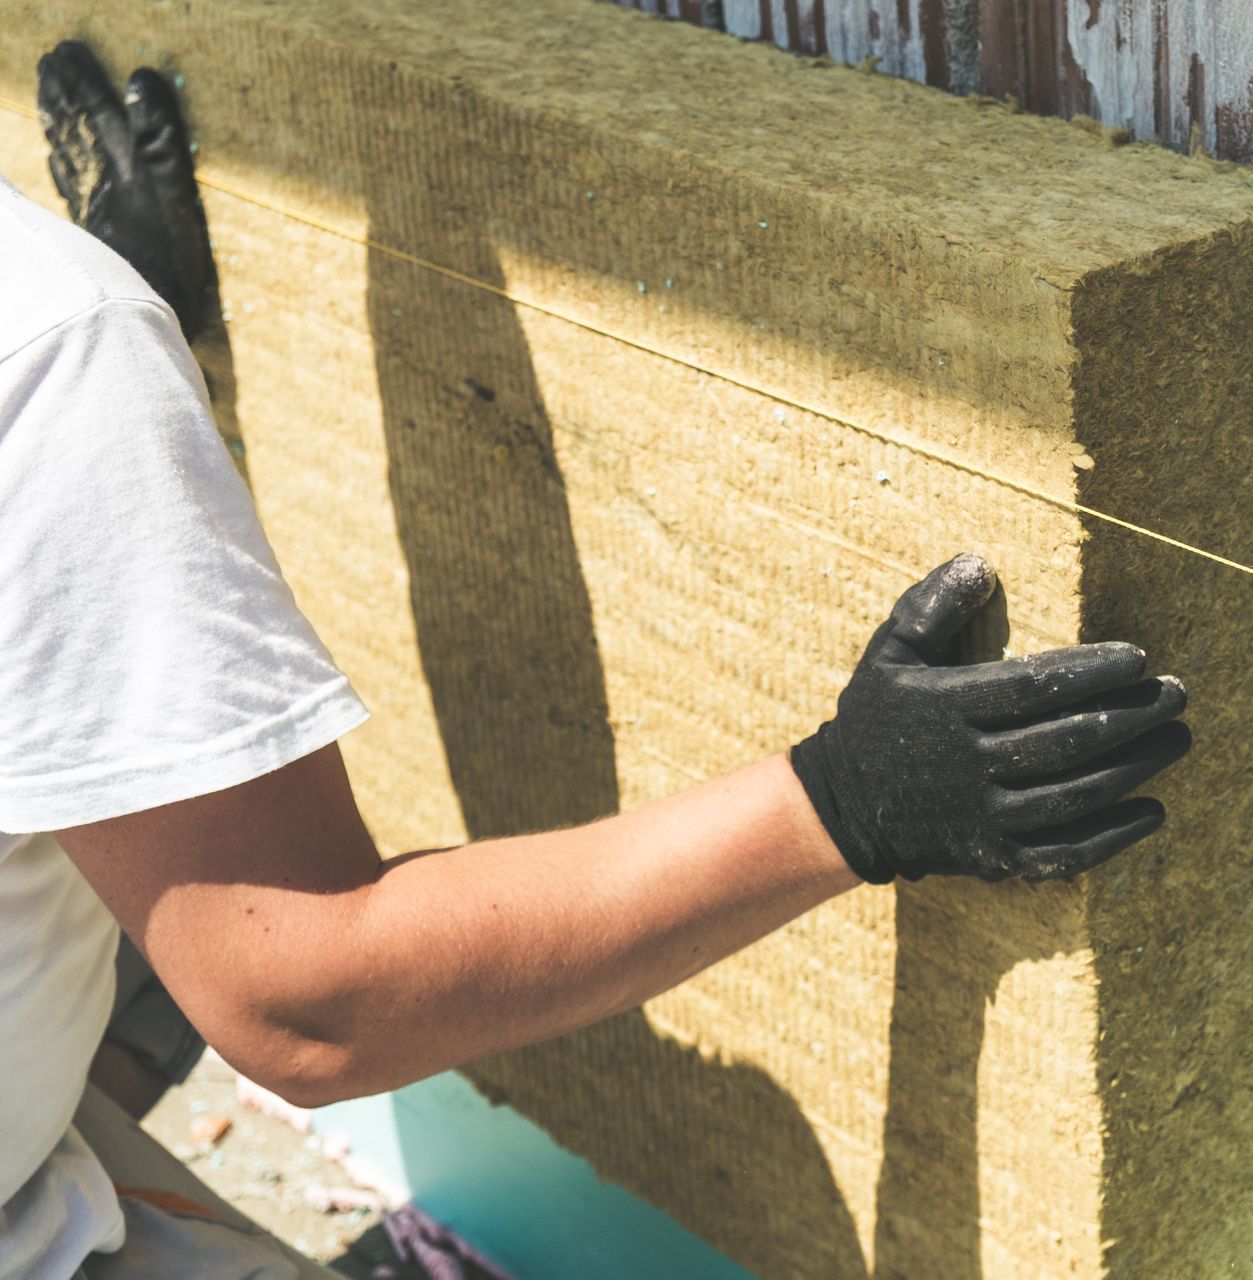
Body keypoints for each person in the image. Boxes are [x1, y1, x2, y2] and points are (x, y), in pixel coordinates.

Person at [1, 42, 1192, 1280]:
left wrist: (118, 436)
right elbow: (308, 995)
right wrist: (842, 805)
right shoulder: (45, 344)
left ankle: (115, 1055)